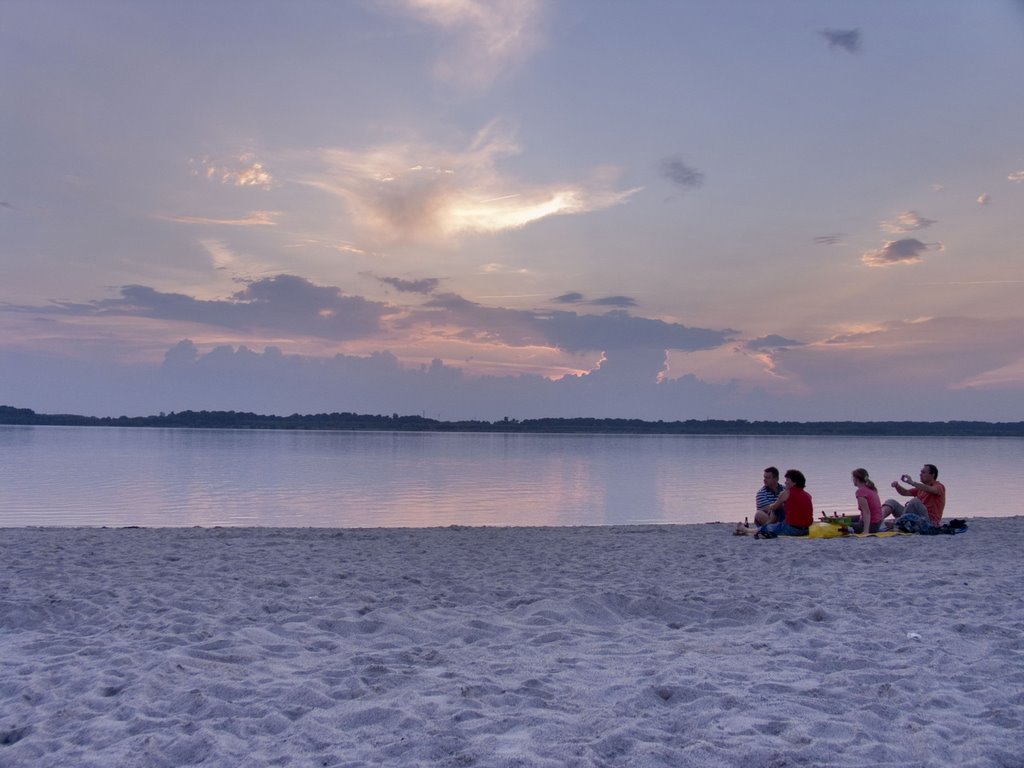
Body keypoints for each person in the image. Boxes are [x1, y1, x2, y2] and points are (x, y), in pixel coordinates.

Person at [736, 469, 812, 537]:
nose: (785, 482)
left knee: (767, 528)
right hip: (806, 529)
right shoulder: (808, 495)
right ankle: (756, 529)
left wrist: (774, 506)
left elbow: (774, 507)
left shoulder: (786, 492)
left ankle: (746, 530)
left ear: (794, 482)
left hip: (791, 529)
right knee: (777, 513)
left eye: (787, 480)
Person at [849, 468, 883, 534]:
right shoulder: (871, 489)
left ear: (856, 479)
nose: (852, 480)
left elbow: (866, 512)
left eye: (853, 478)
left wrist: (866, 531)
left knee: (841, 525)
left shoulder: (860, 492)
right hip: (877, 522)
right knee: (846, 519)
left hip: (872, 525)